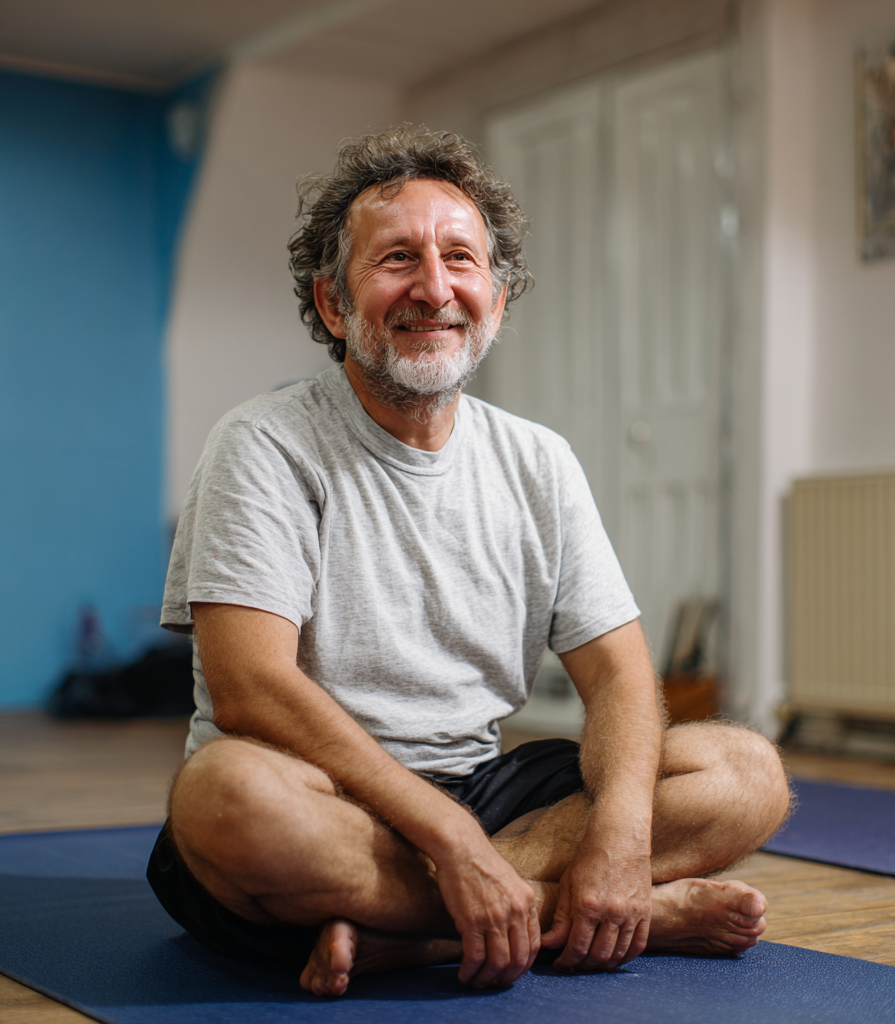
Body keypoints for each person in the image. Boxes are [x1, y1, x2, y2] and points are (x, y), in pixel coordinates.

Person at [147, 126, 791, 997]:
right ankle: (567, 913)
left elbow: (623, 680)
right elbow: (249, 691)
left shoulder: (539, 461)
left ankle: (417, 935)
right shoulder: (262, 444)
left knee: (746, 772)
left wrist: (623, 840)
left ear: (496, 298)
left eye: (460, 258)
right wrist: (451, 846)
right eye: (397, 260)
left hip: (484, 783)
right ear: (333, 305)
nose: (435, 288)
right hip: (323, 795)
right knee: (225, 800)